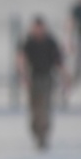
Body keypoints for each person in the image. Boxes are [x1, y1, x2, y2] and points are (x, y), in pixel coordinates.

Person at [17, 16, 70, 151]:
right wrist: (24, 76)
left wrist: (65, 77)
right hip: (33, 78)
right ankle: (37, 133)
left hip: (47, 78)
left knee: (45, 109)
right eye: (36, 28)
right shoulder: (28, 41)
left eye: (41, 28)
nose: (39, 30)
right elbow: (21, 59)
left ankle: (43, 137)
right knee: (35, 110)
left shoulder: (50, 41)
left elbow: (59, 61)